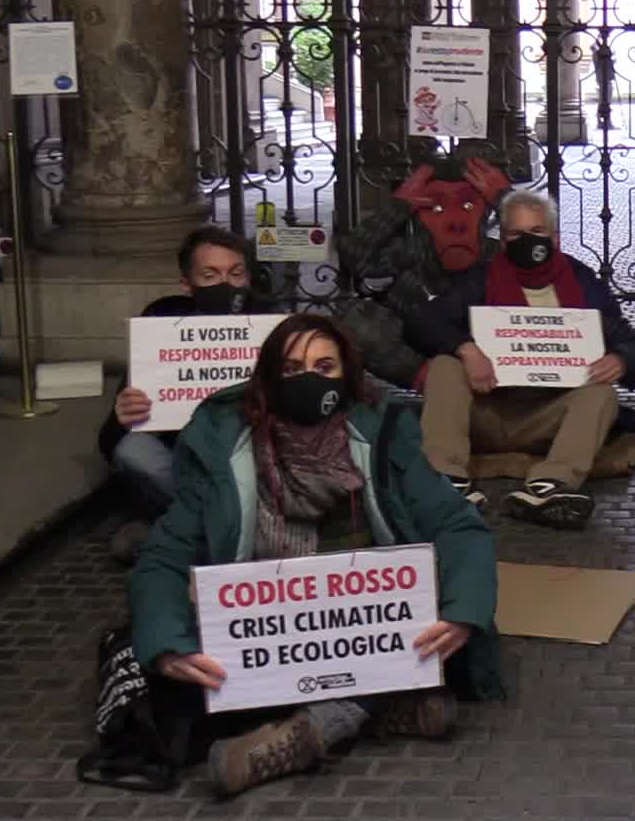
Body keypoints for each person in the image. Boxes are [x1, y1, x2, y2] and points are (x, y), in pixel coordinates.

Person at [127, 314, 502, 798]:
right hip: (267, 628)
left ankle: (310, 733)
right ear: (268, 376)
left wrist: (460, 615)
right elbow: (163, 556)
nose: (309, 378)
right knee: (177, 668)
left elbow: (458, 526)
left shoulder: (384, 433)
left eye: (325, 366)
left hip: (369, 628)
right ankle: (386, 708)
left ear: (347, 376)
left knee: (441, 630)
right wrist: (168, 642)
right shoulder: (223, 445)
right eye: (293, 366)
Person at [406, 189, 635, 529]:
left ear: (554, 237)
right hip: (488, 407)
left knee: (601, 393)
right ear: (504, 239)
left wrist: (622, 360)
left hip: (547, 419)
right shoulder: (480, 278)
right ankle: (446, 481)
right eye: (517, 234)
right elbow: (421, 322)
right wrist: (467, 349)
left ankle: (551, 486)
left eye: (537, 232)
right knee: (446, 366)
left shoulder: (582, 282)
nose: (529, 241)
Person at [101, 226, 276, 563]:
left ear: (248, 279)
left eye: (235, 273)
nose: (226, 284)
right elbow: (108, 441)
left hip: (253, 455)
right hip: (186, 462)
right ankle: (222, 533)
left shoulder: (271, 322)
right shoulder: (161, 323)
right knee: (132, 450)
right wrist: (122, 415)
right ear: (187, 283)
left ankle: (182, 536)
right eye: (210, 275)